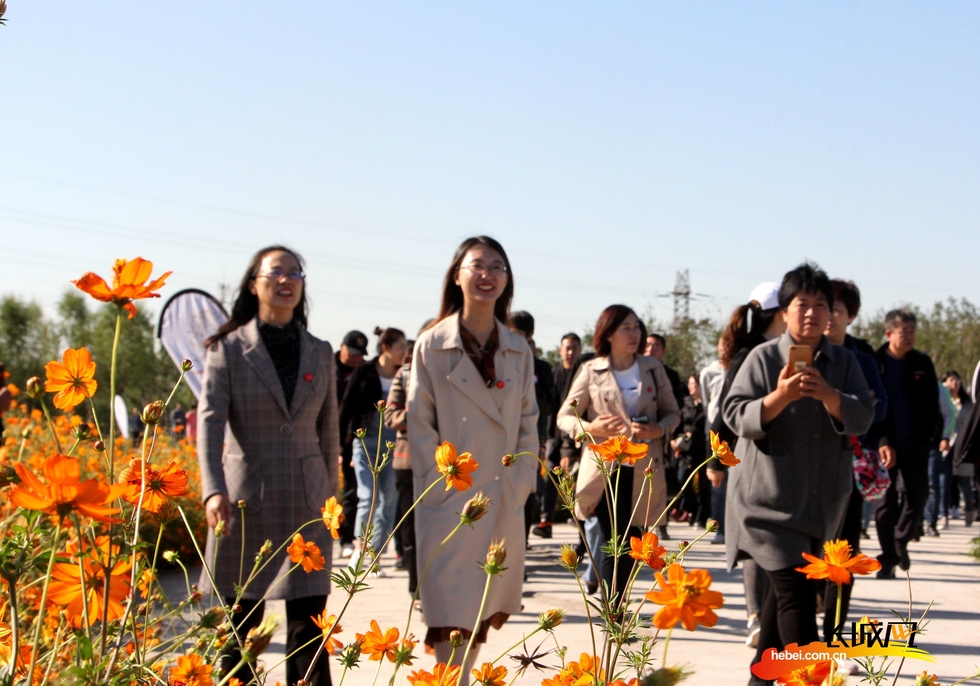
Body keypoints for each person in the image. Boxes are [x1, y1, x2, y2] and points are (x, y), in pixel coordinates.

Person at [722, 263, 874, 684]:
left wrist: (829, 395)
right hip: (764, 506)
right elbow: (734, 415)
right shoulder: (762, 357)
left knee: (778, 609)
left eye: (820, 305)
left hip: (819, 507)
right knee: (797, 600)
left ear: (831, 314)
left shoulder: (844, 363)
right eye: (800, 305)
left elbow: (863, 416)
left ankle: (760, 680)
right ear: (784, 313)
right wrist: (779, 397)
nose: (810, 313)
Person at [197, 245, 338, 686]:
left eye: (295, 273)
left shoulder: (320, 351)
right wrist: (212, 489)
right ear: (254, 283)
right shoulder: (229, 349)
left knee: (309, 624)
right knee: (241, 622)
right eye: (275, 272)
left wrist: (331, 496)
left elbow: (329, 430)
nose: (286, 280)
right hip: (244, 502)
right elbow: (209, 422)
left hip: (307, 499)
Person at [407, 236, 538, 679]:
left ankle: (459, 679)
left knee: (481, 604)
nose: (487, 275)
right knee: (450, 605)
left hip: (502, 493)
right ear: (457, 276)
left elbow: (528, 422)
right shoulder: (431, 344)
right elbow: (419, 424)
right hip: (451, 497)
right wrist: (441, 481)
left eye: (497, 266)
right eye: (477, 265)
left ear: (507, 280)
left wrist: (521, 479)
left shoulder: (518, 349)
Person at [557, 305, 680, 597]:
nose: (634, 333)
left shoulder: (653, 369)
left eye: (637, 327)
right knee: (612, 536)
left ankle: (618, 600)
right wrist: (591, 427)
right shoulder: (591, 369)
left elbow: (673, 414)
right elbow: (564, 417)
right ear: (608, 333)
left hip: (643, 468)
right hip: (604, 467)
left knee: (635, 536)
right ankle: (612, 601)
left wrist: (658, 430)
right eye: (626, 327)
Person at [710, 281, 787, 646]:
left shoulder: (793, 353)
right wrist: (715, 459)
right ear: (779, 313)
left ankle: (772, 618)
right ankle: (757, 617)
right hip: (752, 462)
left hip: (786, 465)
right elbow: (725, 411)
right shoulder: (755, 357)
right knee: (757, 544)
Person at [821, 279, 888, 643]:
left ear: (851, 316)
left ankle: (833, 636)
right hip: (803, 472)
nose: (827, 316)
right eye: (822, 306)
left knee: (842, 555)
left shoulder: (862, 361)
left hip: (847, 470)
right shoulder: (799, 357)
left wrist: (845, 406)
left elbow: (881, 408)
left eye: (837, 310)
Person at [870, 309, 940, 578]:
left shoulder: (921, 362)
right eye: (904, 331)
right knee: (885, 505)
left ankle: (900, 540)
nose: (909, 335)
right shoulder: (875, 363)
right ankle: (888, 559)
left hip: (917, 445)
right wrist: (882, 440)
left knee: (917, 499)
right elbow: (871, 406)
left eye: (912, 330)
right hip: (883, 446)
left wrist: (930, 436)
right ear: (889, 333)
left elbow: (933, 402)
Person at [340, 327, 408, 575]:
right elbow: (347, 405)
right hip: (365, 439)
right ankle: (360, 548)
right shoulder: (365, 370)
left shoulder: (405, 373)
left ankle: (376, 554)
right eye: (400, 346)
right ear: (386, 348)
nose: (404, 351)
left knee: (389, 499)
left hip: (395, 442)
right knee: (368, 496)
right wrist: (341, 444)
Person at [509, 311, 558, 545]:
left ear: (529, 336)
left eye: (516, 334)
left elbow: (550, 404)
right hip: (500, 440)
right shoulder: (500, 360)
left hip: (529, 439)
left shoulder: (541, 368)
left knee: (526, 493)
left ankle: (521, 543)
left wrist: (527, 389)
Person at [535, 333, 582, 538]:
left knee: (580, 479)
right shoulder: (553, 376)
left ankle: (579, 518)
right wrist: (544, 439)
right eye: (567, 348)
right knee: (551, 479)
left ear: (580, 351)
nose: (570, 352)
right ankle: (546, 520)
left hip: (578, 435)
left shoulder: (583, 375)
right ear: (560, 351)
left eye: (574, 348)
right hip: (555, 434)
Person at [385, 335, 420, 599]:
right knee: (411, 530)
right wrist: (421, 413)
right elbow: (391, 416)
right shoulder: (404, 376)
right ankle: (416, 590)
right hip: (407, 460)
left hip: (444, 464)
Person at [336, 330, 369, 556]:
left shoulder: (365, 371)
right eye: (352, 352)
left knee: (352, 490)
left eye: (360, 354)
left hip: (353, 439)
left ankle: (346, 539)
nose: (356, 358)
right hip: (325, 436)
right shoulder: (327, 366)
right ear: (342, 347)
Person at [670, 375, 709, 527]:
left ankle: (701, 518)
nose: (691, 386)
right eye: (689, 383)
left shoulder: (707, 404)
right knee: (682, 481)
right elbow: (677, 422)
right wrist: (674, 439)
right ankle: (686, 509)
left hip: (702, 448)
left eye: (694, 384)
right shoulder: (684, 403)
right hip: (686, 450)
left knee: (704, 486)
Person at [941, 371, 975, 527]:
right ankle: (944, 514)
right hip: (947, 445)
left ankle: (969, 509)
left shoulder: (968, 402)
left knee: (965, 482)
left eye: (957, 379)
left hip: (964, 445)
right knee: (945, 482)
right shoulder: (942, 400)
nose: (955, 382)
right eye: (951, 380)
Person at [645, 333, 688, 408]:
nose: (650, 349)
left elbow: (678, 402)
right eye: (647, 345)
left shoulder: (671, 375)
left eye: (655, 346)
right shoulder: (633, 371)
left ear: (663, 351)